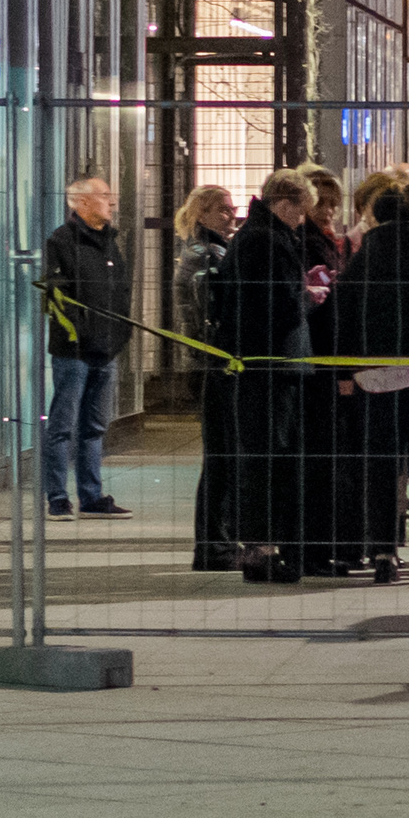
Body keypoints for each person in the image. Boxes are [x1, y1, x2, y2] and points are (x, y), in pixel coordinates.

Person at [316, 168, 409, 581]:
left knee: (381, 463)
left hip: (375, 376)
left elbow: (343, 316)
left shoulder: (363, 256)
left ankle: (383, 554)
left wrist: (347, 370)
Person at [229, 171, 333, 585]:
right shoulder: (268, 241)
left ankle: (263, 548)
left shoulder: (255, 237)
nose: (303, 221)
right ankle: (262, 550)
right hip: (274, 366)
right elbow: (276, 305)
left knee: (267, 457)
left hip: (268, 365)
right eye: (301, 211)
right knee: (271, 458)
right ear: (286, 204)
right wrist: (308, 297)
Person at [39, 174, 132, 517]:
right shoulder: (61, 242)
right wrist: (81, 333)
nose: (112, 201)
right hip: (74, 352)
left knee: (94, 427)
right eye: (104, 195)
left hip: (106, 349)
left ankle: (91, 496)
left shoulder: (110, 242)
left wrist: (120, 334)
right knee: (62, 425)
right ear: (79, 203)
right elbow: (58, 296)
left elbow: (120, 292)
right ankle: (57, 497)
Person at [173, 185, 244, 568]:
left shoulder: (211, 251)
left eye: (232, 209)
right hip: (212, 369)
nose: (231, 215)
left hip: (210, 367)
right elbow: (211, 313)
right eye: (222, 210)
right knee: (222, 458)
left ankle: (218, 545)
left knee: (223, 458)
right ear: (201, 214)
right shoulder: (207, 255)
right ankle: (216, 547)